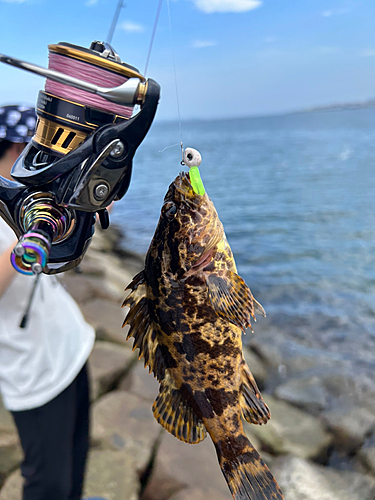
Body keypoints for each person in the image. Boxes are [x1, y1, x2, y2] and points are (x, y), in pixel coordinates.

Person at [0, 105, 98, 500]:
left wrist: (84, 207)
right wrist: (32, 240)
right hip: (33, 374)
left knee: (76, 462)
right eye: (36, 150)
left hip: (72, 346)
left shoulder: (36, 198)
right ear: (13, 149)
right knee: (47, 484)